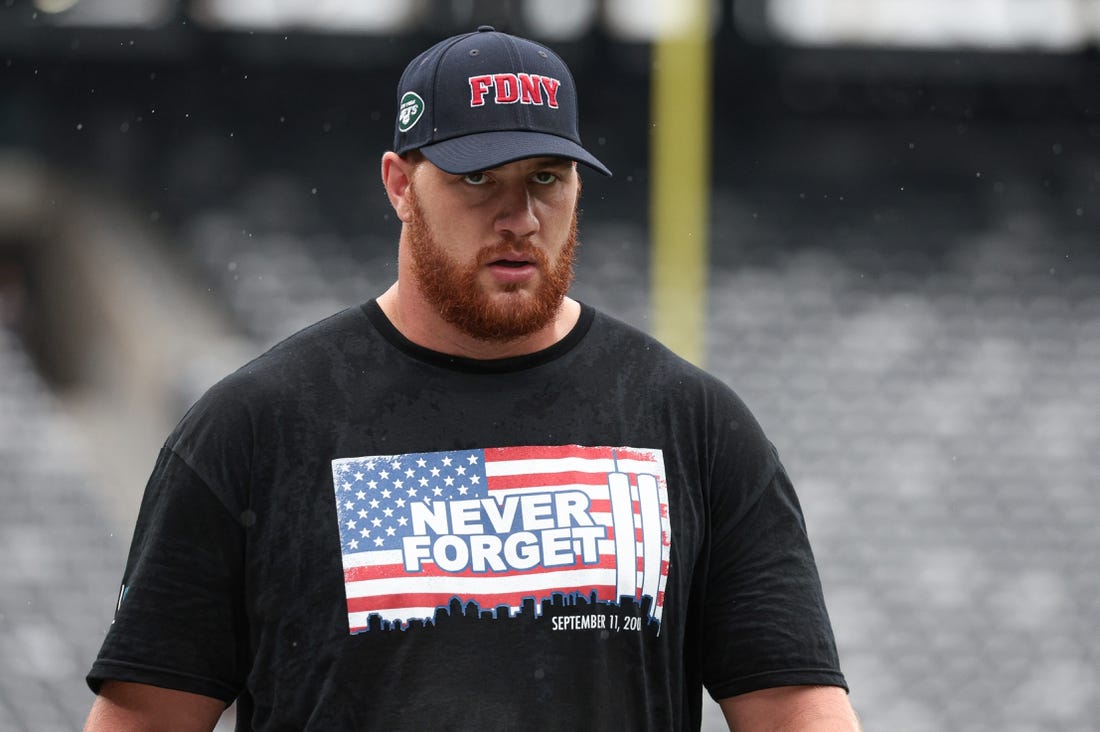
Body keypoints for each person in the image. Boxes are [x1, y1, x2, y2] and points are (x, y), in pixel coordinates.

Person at [84, 25, 860, 731]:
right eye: (478, 178)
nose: (519, 215)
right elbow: (145, 720)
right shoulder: (255, 426)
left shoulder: (693, 425)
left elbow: (798, 712)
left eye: (547, 178)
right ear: (398, 183)